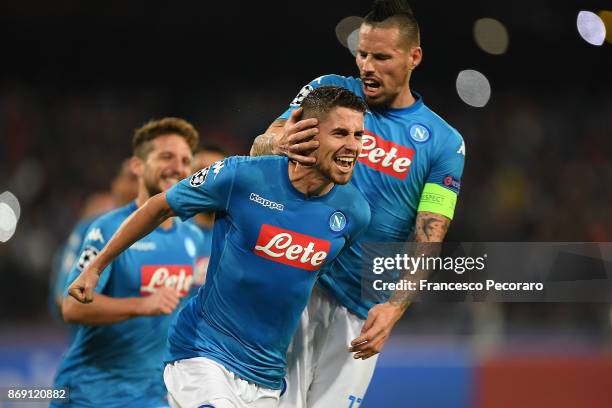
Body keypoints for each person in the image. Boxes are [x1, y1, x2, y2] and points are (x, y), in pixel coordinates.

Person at [68, 86, 371, 408]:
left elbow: (344, 282)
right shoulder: (242, 176)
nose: (353, 146)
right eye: (340, 133)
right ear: (308, 133)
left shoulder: (354, 212)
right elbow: (159, 206)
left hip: (267, 375)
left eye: (359, 135)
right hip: (202, 355)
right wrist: (96, 267)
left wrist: (387, 308)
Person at [250, 1, 466, 406]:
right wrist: (279, 142)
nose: (368, 65)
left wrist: (394, 309)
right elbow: (264, 143)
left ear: (413, 57)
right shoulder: (329, 90)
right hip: (301, 280)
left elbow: (430, 233)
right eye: (363, 54)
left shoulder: (444, 142)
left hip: (363, 310)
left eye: (382, 57)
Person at [51, 117, 205, 407]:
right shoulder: (108, 229)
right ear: (137, 166)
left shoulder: (192, 236)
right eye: (166, 156)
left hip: (153, 394)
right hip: (93, 392)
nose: (178, 167)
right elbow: (71, 307)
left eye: (185, 160)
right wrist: (141, 304)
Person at [49, 159, 138, 325]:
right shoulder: (91, 229)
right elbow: (64, 300)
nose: (137, 188)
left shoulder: (171, 233)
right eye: (131, 179)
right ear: (115, 185)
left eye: (142, 180)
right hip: (101, 343)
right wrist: (140, 307)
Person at [189, 144, 227, 293]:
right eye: (202, 172)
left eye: (218, 173)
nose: (210, 182)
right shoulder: (167, 232)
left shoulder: (240, 237)